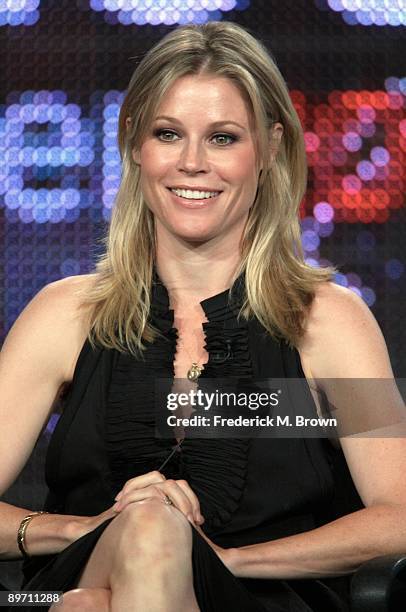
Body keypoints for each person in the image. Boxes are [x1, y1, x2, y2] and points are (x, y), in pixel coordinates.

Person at [1, 20, 405, 612]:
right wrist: (78, 528)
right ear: (135, 144)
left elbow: (398, 515)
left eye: (222, 138)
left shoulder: (328, 322)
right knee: (124, 553)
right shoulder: (66, 315)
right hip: (82, 578)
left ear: (268, 148)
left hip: (259, 595)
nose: (192, 162)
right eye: (169, 134)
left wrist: (216, 558)